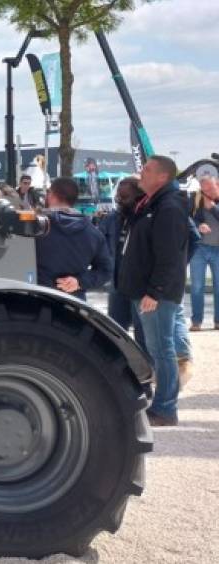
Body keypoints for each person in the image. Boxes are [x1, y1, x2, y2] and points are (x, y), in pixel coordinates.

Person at [118, 155, 189, 427]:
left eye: (146, 170)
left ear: (162, 177)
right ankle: (157, 402)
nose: (140, 173)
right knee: (153, 347)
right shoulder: (150, 202)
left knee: (162, 350)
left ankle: (165, 409)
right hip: (143, 290)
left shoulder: (169, 206)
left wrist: (155, 291)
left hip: (155, 294)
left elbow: (170, 254)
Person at [35, 177, 113, 301]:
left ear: (51, 195)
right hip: (73, 306)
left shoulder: (34, 226)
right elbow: (106, 271)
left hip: (35, 301)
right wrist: (79, 281)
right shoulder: (93, 233)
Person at [100, 177, 146, 346]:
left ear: (138, 196)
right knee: (115, 331)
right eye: (119, 197)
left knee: (143, 333)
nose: (120, 201)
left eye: (125, 197)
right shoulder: (113, 218)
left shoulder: (148, 217)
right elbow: (98, 243)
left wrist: (176, 269)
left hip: (139, 284)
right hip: (117, 282)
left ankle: (149, 368)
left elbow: (193, 238)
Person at [190, 176, 219, 331]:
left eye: (209, 188)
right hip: (199, 249)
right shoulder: (196, 199)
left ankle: (218, 321)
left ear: (217, 185)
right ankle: (196, 321)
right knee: (196, 287)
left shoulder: (213, 202)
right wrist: (199, 224)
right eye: (203, 188)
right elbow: (187, 219)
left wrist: (213, 208)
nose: (206, 191)